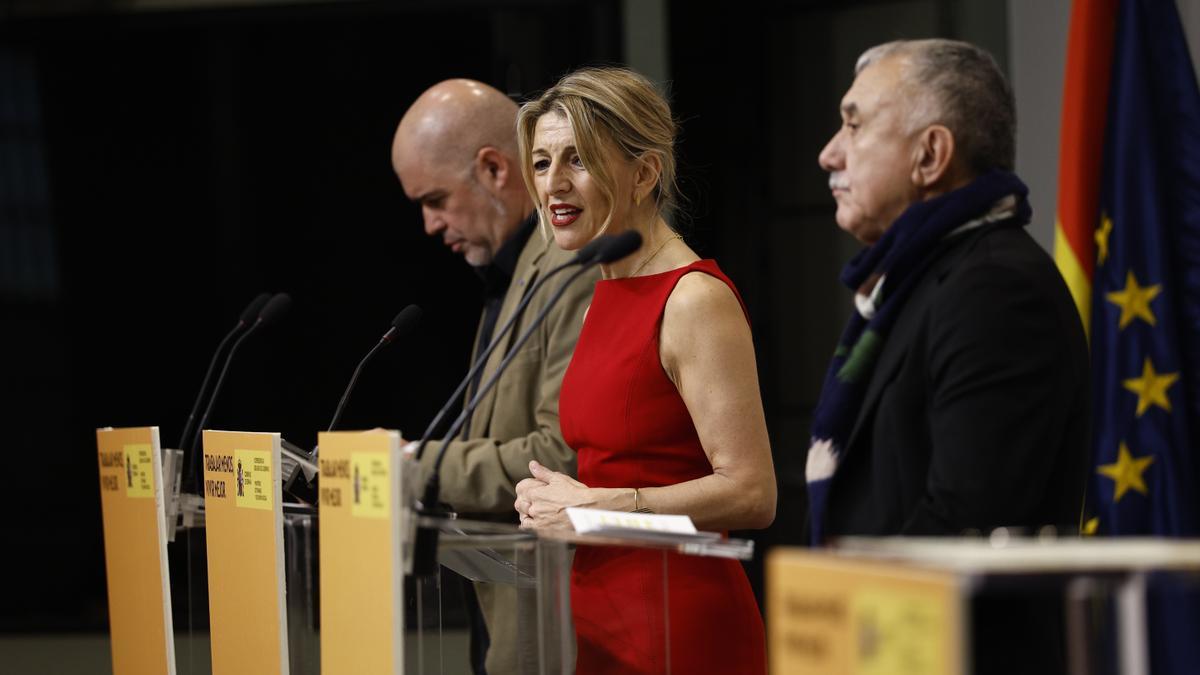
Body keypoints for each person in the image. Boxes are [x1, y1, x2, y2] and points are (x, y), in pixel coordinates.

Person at [808, 40, 1089, 672]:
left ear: (931, 154)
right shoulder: (908, 286)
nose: (829, 153)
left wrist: (836, 621)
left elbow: (965, 517)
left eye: (854, 124)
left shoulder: (996, 289)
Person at [512, 67, 776, 675]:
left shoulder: (693, 299)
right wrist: (549, 501)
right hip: (601, 614)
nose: (554, 183)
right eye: (543, 161)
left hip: (676, 620)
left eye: (577, 160)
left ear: (645, 173)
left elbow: (752, 492)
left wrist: (599, 507)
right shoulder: (598, 293)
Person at [391, 78, 597, 675]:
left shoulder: (570, 268)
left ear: (492, 168)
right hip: (498, 608)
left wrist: (414, 467)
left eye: (435, 200)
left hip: (555, 619)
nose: (430, 225)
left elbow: (560, 456)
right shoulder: (512, 272)